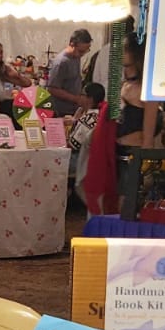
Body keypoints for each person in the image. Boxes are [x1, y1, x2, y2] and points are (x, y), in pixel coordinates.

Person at [118, 34, 160, 147]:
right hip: (117, 150)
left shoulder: (147, 90)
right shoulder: (125, 85)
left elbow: (148, 138)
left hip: (134, 153)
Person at [70, 81, 105, 209]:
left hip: (80, 160)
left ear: (90, 99)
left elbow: (73, 144)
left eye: (82, 94)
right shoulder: (100, 116)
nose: (79, 97)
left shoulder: (88, 119)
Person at [48, 29, 92, 118]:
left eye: (86, 51)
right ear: (72, 45)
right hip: (61, 111)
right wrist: (76, 99)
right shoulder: (61, 63)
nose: (83, 54)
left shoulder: (76, 56)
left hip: (73, 109)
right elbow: (52, 88)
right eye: (81, 51)